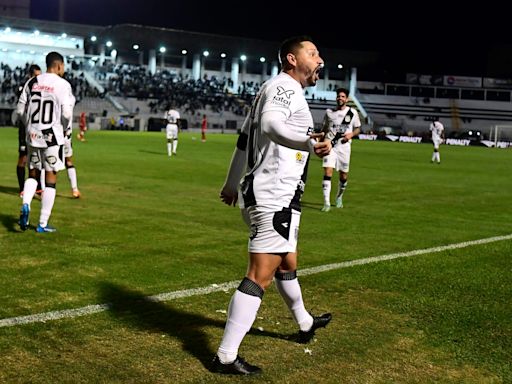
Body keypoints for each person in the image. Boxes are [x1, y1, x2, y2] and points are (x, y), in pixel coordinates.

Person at [213, 36, 332, 375]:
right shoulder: (286, 88)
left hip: (269, 193)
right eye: (313, 53)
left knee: (287, 262)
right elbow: (270, 126)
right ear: (292, 60)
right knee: (259, 276)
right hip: (274, 195)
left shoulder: (271, 89)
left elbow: (243, 139)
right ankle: (224, 356)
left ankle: (305, 323)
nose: (320, 59)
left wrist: (230, 183)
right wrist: (308, 143)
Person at [17, 51, 75, 233]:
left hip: (33, 135)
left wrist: (30, 126)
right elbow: (66, 114)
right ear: (58, 66)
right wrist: (64, 129)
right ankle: (42, 224)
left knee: (33, 173)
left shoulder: (32, 82)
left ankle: (26, 203)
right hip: (52, 136)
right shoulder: (63, 84)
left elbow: (20, 110)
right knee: (50, 177)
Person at [320, 87, 361, 211]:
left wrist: (351, 135)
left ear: (347, 99)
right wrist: (321, 143)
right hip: (330, 145)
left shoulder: (352, 113)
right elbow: (324, 129)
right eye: (338, 96)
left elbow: (358, 128)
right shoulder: (329, 112)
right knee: (328, 172)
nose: (340, 98)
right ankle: (326, 202)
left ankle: (339, 197)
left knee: (343, 176)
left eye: (343, 96)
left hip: (344, 147)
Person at [15, 64, 42, 197]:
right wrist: (27, 123)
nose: (38, 78)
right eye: (36, 76)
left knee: (38, 157)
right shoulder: (24, 88)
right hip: (25, 126)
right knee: (23, 157)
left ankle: (38, 187)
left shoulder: (41, 88)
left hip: (38, 127)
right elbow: (21, 110)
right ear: (30, 75)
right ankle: (22, 188)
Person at [63, 109, 81, 198]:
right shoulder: (70, 98)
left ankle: (43, 190)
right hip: (67, 135)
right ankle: (75, 189)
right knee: (68, 161)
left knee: (47, 163)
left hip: (54, 134)